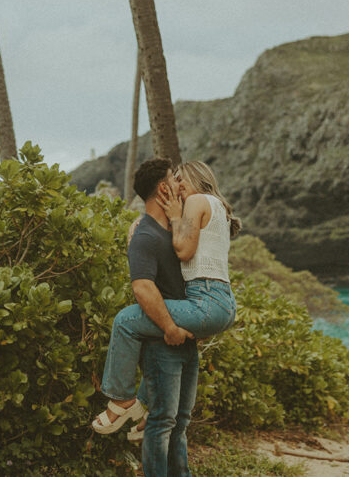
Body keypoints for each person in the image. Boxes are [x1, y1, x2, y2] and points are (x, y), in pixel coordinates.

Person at [92, 160, 240, 466]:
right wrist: (145, 223)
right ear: (163, 188)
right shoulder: (174, 222)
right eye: (175, 180)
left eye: (182, 180)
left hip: (205, 302)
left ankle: (122, 400)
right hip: (216, 304)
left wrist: (173, 218)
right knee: (174, 423)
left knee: (124, 320)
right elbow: (157, 272)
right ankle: (140, 404)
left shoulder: (195, 205)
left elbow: (183, 251)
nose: (180, 186)